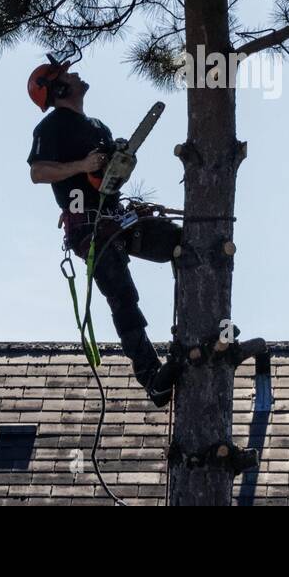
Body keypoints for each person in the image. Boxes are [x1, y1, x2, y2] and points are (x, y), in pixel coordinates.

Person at [26, 58, 182, 405]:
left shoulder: (98, 126)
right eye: (67, 74)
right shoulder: (51, 127)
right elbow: (38, 172)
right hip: (88, 227)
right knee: (123, 298)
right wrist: (82, 166)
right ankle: (151, 378)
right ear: (59, 88)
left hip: (117, 217)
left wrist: (118, 163)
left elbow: (109, 177)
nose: (76, 73)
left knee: (180, 243)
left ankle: (190, 335)